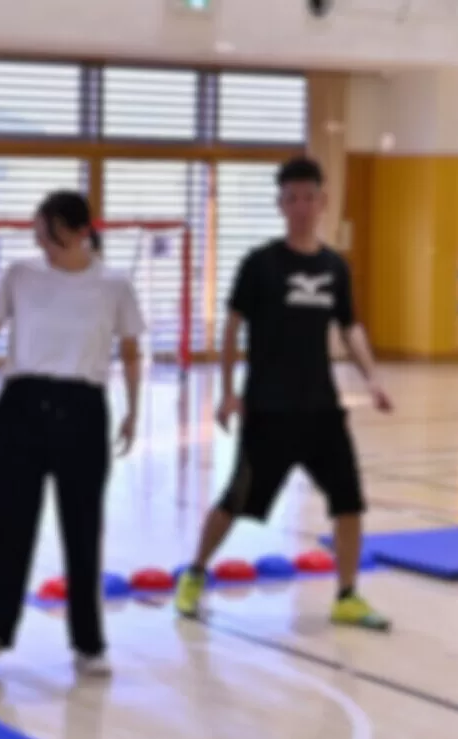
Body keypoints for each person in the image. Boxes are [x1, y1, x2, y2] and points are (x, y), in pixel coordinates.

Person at [172, 156, 393, 630]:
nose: (301, 207)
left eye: (309, 197)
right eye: (292, 198)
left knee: (349, 502)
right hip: (268, 412)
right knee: (236, 500)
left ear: (323, 202)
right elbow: (232, 327)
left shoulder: (335, 266)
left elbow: (349, 326)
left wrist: (372, 378)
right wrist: (228, 392)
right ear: (280, 204)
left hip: (322, 412)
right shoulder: (259, 264)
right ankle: (194, 574)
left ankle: (347, 596)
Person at [0, 191, 145, 677]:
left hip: (83, 408)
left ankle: (89, 644)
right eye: (38, 237)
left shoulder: (114, 285)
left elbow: (131, 352)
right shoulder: (21, 274)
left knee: (82, 528)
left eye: (52, 238)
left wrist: (133, 411)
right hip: (22, 405)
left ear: (82, 233)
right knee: (4, 525)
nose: (43, 248)